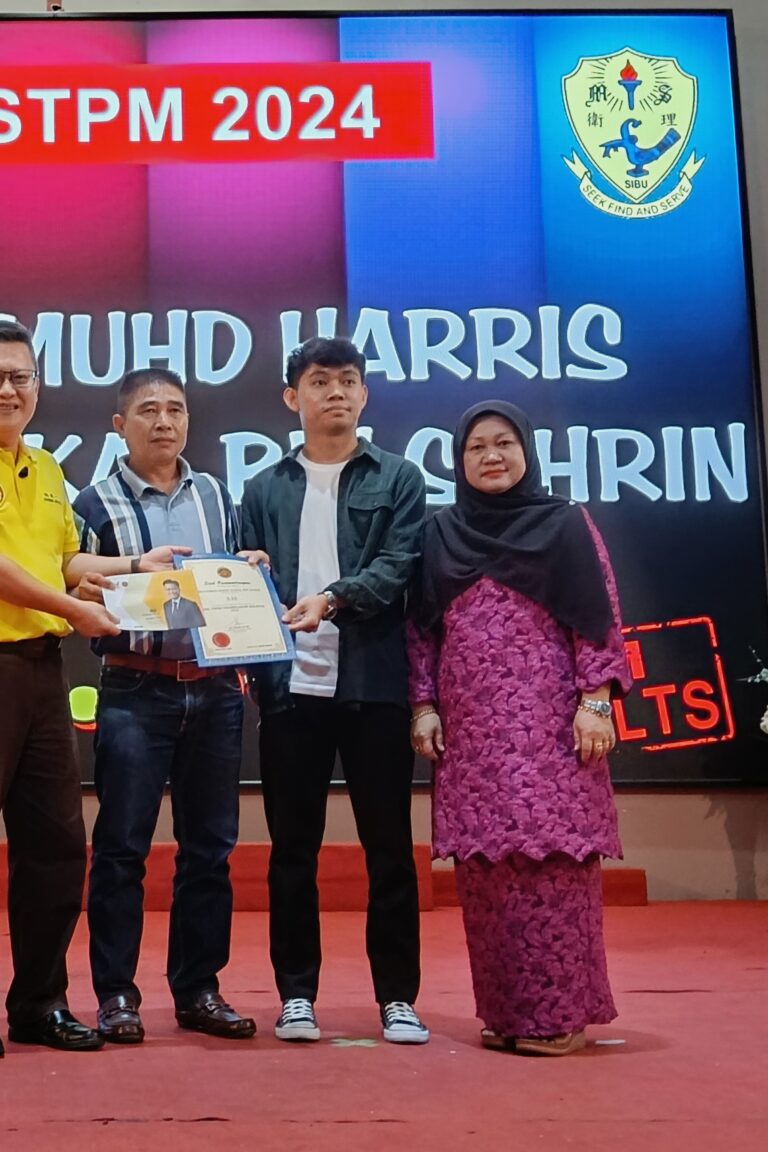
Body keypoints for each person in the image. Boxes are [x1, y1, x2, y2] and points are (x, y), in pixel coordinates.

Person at [0, 320, 186, 1060]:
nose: (8, 389)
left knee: (58, 847)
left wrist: (134, 566)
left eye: (21, 377)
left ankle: (40, 1002)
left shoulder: (45, 468)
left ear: (36, 386)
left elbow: (67, 562)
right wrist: (73, 609)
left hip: (40, 671)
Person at [409, 400, 630, 1057]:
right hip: (472, 737)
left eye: (504, 443)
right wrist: (423, 705)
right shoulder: (440, 533)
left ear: (526, 451)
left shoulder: (564, 524)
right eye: (476, 447)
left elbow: (599, 614)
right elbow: (421, 632)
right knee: (487, 874)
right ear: (459, 460)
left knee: (553, 867)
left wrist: (596, 701)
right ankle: (508, 1014)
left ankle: (559, 1019)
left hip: (550, 732)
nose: (491, 456)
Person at [239, 336, 431, 1045]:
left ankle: (398, 998)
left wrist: (332, 597)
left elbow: (399, 565)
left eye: (349, 380)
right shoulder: (262, 488)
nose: (337, 393)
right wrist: (247, 571)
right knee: (293, 851)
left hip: (374, 685)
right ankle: (296, 994)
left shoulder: (399, 477)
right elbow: (244, 586)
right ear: (293, 397)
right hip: (291, 691)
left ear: (365, 394)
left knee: (390, 849)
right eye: (320, 381)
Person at [72, 368, 263, 1044]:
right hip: (135, 686)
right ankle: (116, 995)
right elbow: (71, 578)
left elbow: (227, 575)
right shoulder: (92, 503)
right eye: (148, 410)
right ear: (119, 426)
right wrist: (118, 580)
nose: (163, 422)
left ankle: (199, 989)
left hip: (214, 687)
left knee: (209, 848)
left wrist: (247, 570)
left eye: (175, 410)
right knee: (121, 848)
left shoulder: (215, 493)